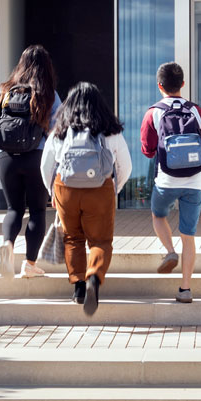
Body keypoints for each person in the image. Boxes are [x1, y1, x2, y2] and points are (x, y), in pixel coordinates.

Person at [39, 82, 133, 317]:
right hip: (100, 189)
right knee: (100, 241)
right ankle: (94, 277)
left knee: (72, 238)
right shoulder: (110, 131)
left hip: (66, 189)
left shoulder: (60, 131)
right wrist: (115, 188)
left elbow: (46, 165)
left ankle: (78, 287)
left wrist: (52, 191)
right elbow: (126, 166)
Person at [140, 62, 201, 303]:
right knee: (189, 235)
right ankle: (185, 289)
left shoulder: (153, 112)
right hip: (195, 181)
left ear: (159, 85)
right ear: (182, 84)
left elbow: (148, 150)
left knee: (158, 214)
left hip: (166, 179)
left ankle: (169, 252)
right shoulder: (196, 111)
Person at [0, 45, 62, 280]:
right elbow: (58, 132)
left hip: (6, 157)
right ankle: (29, 264)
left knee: (14, 208)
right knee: (38, 211)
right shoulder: (49, 94)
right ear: (46, 68)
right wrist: (57, 166)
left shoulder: (4, 92)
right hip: (37, 157)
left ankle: (8, 245)